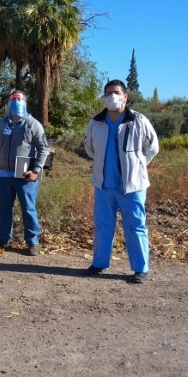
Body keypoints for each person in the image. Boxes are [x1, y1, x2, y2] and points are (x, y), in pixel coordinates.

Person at [82, 79, 159, 283]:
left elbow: (152, 148)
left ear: (125, 96)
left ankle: (140, 268)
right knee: (102, 225)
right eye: (108, 93)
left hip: (132, 187)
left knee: (135, 226)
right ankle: (99, 263)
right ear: (104, 97)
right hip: (104, 185)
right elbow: (89, 148)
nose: (112, 96)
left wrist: (137, 167)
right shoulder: (96, 122)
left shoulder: (139, 121)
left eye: (116, 92)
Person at [0, 90, 50, 256]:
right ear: (9, 102)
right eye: (13, 99)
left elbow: (44, 149)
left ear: (25, 102)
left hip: (25, 175)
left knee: (28, 208)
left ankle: (33, 241)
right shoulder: (0, 124)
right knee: (4, 209)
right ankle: (3, 239)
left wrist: (36, 170)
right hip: (4, 174)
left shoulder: (33, 124)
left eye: (19, 99)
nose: (16, 102)